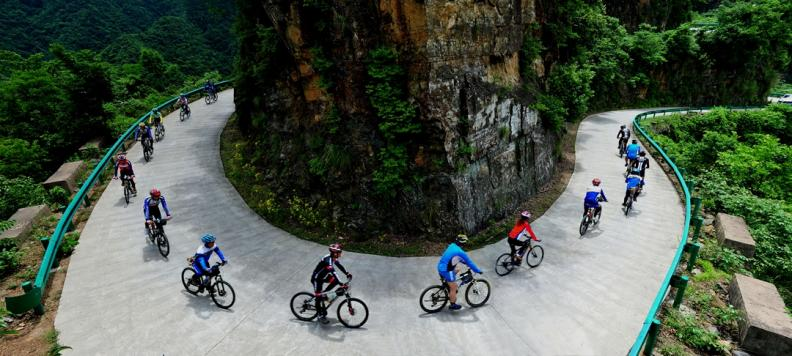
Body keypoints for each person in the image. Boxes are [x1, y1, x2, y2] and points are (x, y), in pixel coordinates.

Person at [437, 234, 483, 311]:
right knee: (454, 287)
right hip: (446, 270)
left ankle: (448, 285)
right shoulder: (460, 252)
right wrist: (477, 270)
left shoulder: (452, 245)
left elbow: (456, 257)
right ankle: (452, 305)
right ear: (463, 243)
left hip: (440, 266)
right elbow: (470, 262)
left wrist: (464, 262)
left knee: (457, 268)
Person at [311, 243, 351, 324]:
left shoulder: (333, 258)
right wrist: (341, 283)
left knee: (335, 281)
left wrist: (347, 273)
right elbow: (334, 272)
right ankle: (319, 315)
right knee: (318, 297)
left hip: (323, 277)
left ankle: (324, 294)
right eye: (340, 252)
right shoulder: (328, 260)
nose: (341, 254)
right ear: (335, 253)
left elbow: (339, 265)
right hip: (317, 279)